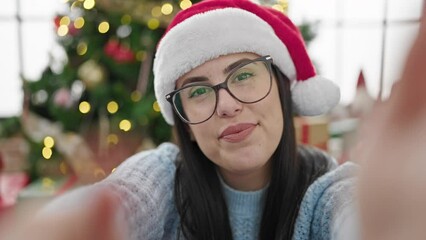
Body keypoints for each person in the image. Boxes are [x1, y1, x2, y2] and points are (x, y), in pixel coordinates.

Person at [3, 0, 426, 239]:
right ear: (183, 119)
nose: (226, 105)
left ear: (281, 88)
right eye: (199, 91)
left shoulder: (326, 191)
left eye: (243, 76)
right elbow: (124, 198)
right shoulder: (163, 179)